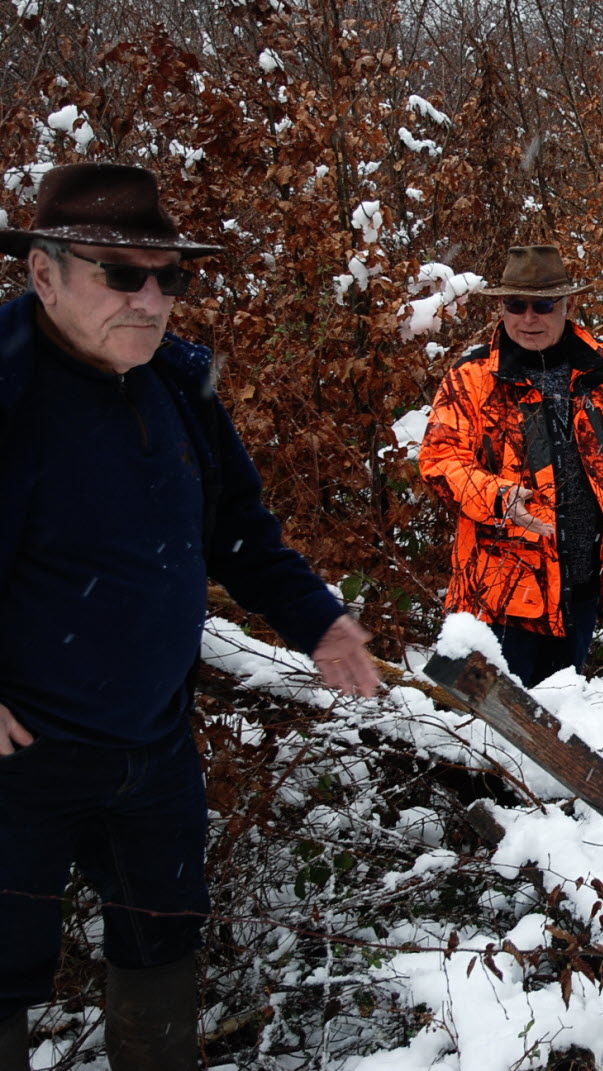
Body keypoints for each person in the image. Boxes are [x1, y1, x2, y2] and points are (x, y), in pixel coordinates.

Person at [0, 162, 380, 1070]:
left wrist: (319, 620)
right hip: (20, 759)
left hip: (154, 746)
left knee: (163, 941)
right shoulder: (6, 387)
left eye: (170, 277)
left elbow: (239, 532)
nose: (152, 297)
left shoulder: (178, 384)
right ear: (43, 273)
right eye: (120, 273)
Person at [419, 245, 603, 688]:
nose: (529, 318)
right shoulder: (473, 377)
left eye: (543, 305)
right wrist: (500, 499)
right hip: (501, 599)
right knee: (486, 735)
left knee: (560, 731)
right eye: (515, 305)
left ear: (568, 305)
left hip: (583, 589)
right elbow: (439, 460)